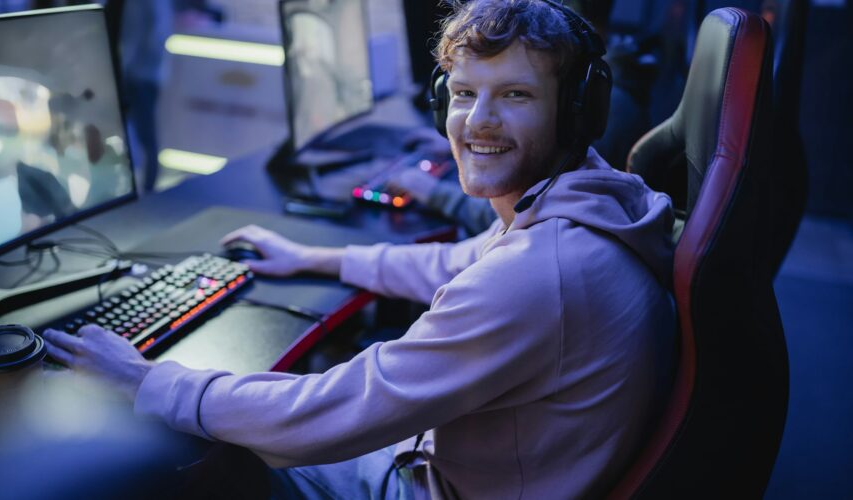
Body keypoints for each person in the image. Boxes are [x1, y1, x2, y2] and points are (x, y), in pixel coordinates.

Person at [43, 1, 676, 498]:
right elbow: (459, 264)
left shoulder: (543, 273)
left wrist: (147, 380)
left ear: (575, 113)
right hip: (494, 471)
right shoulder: (586, 205)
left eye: (515, 95)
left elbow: (332, 413)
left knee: (196, 455)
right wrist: (315, 258)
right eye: (462, 94)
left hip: (439, 488)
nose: (477, 121)